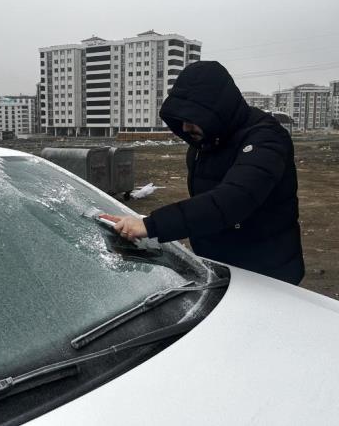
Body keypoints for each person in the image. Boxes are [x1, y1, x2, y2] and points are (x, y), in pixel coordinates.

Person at [111, 61, 304, 285]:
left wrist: (151, 225)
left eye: (192, 118)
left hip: (267, 272)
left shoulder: (266, 138)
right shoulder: (208, 139)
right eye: (181, 120)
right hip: (219, 265)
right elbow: (207, 201)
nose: (184, 128)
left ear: (218, 111)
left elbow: (233, 199)